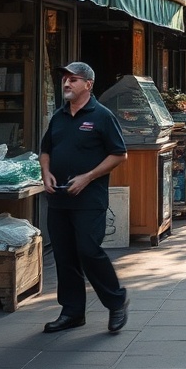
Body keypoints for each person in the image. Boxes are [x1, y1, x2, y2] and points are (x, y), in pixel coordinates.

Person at [39, 62, 129, 334]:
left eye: (73, 80)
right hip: (59, 200)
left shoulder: (101, 116)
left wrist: (87, 177)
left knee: (89, 251)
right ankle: (72, 312)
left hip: (89, 198)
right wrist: (46, 174)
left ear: (88, 85)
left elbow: (119, 154)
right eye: (65, 79)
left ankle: (116, 302)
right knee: (64, 256)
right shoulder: (58, 117)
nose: (66, 84)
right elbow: (45, 150)